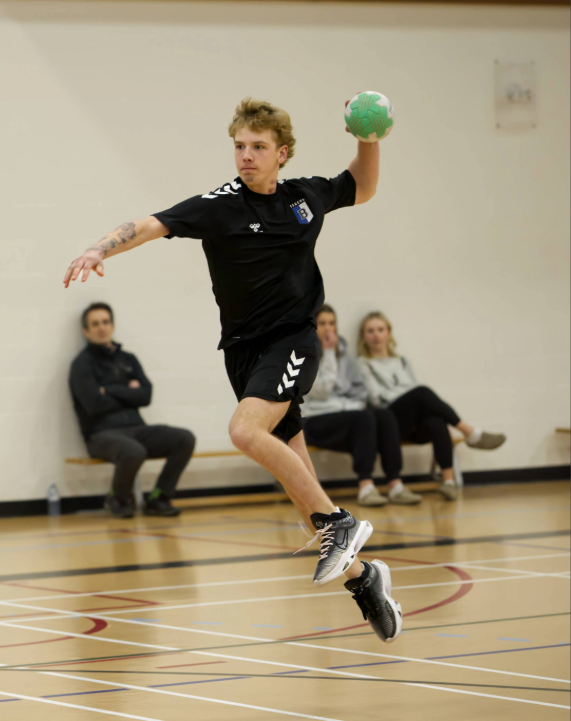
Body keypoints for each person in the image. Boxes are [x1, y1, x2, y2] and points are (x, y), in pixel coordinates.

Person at [62, 98, 402, 643]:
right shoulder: (219, 206)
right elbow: (150, 224)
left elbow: (362, 186)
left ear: (281, 153)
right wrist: (98, 248)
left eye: (258, 147)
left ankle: (340, 524)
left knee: (244, 432)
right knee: (301, 493)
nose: (246, 155)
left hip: (292, 340)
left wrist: (369, 139)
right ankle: (364, 578)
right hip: (242, 354)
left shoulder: (304, 198)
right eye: (240, 146)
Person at [357, 311, 506, 501]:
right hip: (389, 421)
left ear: (389, 332)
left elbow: (415, 388)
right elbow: (376, 398)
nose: (376, 335)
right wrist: (409, 399)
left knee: (436, 421)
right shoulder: (362, 363)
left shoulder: (402, 361)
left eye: (380, 329)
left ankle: (449, 482)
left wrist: (415, 403)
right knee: (422, 393)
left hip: (413, 419)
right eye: (370, 331)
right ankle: (470, 432)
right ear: (363, 336)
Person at [68, 302, 196, 518]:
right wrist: (129, 391)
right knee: (133, 451)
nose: (101, 327)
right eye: (95, 324)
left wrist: (109, 389)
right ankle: (117, 498)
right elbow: (94, 404)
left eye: (105, 322)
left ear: (113, 325)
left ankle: (159, 497)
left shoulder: (128, 359)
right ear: (86, 331)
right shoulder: (82, 364)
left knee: (184, 438)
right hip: (101, 435)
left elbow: (146, 395)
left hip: (136, 428)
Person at [302, 305, 419, 506]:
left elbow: (360, 393)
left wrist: (348, 404)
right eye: (322, 323)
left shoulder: (346, 358)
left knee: (383, 415)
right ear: (313, 326)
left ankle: (395, 484)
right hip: (313, 419)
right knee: (363, 417)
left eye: (332, 323)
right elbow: (321, 392)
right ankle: (365, 486)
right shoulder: (304, 356)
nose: (328, 329)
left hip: (344, 415)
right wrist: (328, 354)